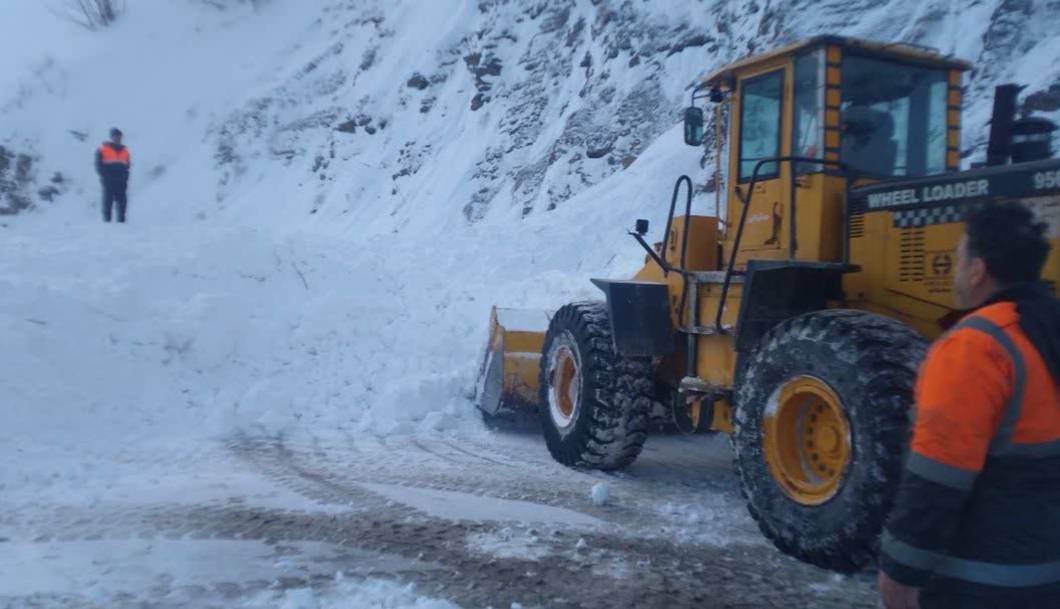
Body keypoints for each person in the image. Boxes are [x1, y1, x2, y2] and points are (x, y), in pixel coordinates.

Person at [878, 202, 1060, 609]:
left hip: (979, 582)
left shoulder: (975, 347)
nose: (955, 270)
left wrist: (901, 571)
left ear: (977, 270)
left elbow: (936, 478)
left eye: (960, 257)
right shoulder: (1046, 330)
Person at [95, 128, 131, 223]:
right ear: (111, 137)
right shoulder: (102, 150)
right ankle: (107, 224)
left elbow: (127, 167)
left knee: (122, 204)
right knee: (107, 203)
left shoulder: (125, 152)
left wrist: (125, 178)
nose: (118, 138)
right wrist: (106, 177)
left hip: (121, 182)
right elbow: (98, 166)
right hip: (108, 182)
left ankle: (122, 224)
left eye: (119, 137)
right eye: (116, 137)